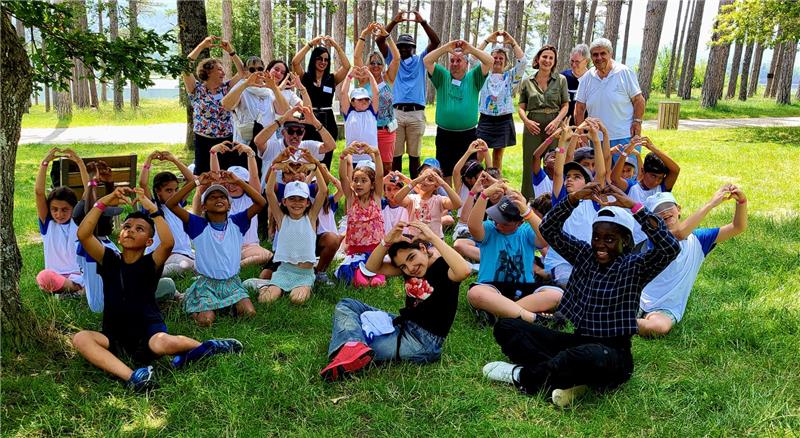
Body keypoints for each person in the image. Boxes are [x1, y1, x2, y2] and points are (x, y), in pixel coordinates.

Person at [483, 183, 680, 407]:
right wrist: (574, 198)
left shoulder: (635, 266)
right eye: (597, 237)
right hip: (578, 341)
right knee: (507, 327)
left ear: (625, 241)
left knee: (584, 357)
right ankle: (570, 379)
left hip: (611, 355)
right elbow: (549, 229)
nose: (600, 245)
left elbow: (670, 247)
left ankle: (523, 376)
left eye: (609, 239)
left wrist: (634, 206)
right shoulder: (585, 254)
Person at [72, 187, 243, 392]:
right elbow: (83, 233)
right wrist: (105, 201)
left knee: (164, 344)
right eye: (127, 227)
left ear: (149, 241)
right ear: (119, 236)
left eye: (139, 229)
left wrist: (152, 209)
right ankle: (134, 377)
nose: (131, 230)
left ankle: (207, 347)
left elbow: (168, 242)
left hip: (149, 332)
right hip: (113, 335)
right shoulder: (108, 259)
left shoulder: (150, 262)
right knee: (81, 338)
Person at [319, 221, 472, 382]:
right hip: (403, 325)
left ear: (423, 249)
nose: (411, 268)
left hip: (423, 343)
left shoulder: (444, 268)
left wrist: (433, 237)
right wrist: (386, 241)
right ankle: (352, 346)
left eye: (412, 258)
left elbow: (464, 270)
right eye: (404, 266)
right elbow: (371, 268)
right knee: (348, 304)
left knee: (363, 343)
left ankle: (349, 347)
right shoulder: (408, 269)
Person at [638, 186, 748, 337]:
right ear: (652, 222)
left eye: (668, 206)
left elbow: (738, 227)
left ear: (679, 209)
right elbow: (679, 234)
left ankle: (621, 322)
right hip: (637, 298)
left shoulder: (698, 240)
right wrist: (710, 204)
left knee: (658, 328)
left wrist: (742, 201)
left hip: (666, 309)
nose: (664, 212)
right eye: (658, 211)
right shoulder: (655, 239)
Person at [165, 171, 265, 327]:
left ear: (229, 204)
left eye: (222, 197)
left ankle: (225, 305)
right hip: (207, 284)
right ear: (204, 206)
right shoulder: (198, 225)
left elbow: (261, 203)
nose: (218, 199)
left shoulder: (237, 222)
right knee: (205, 321)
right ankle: (188, 299)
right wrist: (196, 182)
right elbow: (171, 204)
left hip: (232, 283)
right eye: (212, 197)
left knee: (249, 313)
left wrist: (238, 181)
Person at [466, 185, 555, 326]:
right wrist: (483, 196)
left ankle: (499, 312)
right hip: (492, 288)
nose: (498, 223)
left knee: (556, 295)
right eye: (496, 218)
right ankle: (531, 317)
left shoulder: (526, 231)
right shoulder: (489, 229)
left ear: (520, 223)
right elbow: (473, 226)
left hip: (525, 289)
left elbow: (545, 237)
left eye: (504, 222)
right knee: (475, 293)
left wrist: (528, 212)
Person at [244, 157, 328, 304]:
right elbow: (269, 191)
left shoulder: (311, 217)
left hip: (304, 274)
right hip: (283, 271)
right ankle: (264, 285)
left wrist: (315, 167)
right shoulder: (281, 218)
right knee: (265, 301)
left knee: (297, 300)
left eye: (301, 199)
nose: (297, 203)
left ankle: (297, 286)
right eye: (292, 199)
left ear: (308, 202)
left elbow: (323, 190)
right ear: (284, 201)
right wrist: (275, 166)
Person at [377, 11, 440, 177]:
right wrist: (393, 22)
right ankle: (396, 189)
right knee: (395, 157)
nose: (403, 49)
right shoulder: (393, 60)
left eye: (407, 46)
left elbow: (436, 42)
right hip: (396, 112)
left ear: (414, 48)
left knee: (414, 157)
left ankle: (414, 190)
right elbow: (379, 40)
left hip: (416, 114)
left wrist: (423, 23)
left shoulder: (421, 60)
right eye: (400, 46)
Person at [423, 39, 494, 186]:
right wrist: (446, 48)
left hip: (467, 135)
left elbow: (489, 62)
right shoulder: (442, 76)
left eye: (459, 61)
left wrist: (471, 49)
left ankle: (466, 203)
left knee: (469, 172)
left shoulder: (474, 77)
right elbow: (427, 61)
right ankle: (449, 204)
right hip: (445, 134)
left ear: (466, 64)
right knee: (445, 171)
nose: (454, 64)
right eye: (452, 61)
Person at [574, 38, 646, 160]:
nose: (599, 58)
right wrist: (582, 134)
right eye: (595, 55)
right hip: (597, 140)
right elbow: (579, 108)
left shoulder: (624, 72)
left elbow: (639, 100)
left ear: (610, 54)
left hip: (624, 137)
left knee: (625, 177)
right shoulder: (587, 78)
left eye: (603, 53)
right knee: (600, 177)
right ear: (591, 57)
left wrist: (637, 121)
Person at [182, 35, 245, 175]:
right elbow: (185, 67)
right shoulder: (196, 89)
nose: (223, 73)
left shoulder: (226, 88)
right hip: (203, 141)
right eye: (219, 69)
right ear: (208, 72)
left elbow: (243, 72)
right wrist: (202, 45)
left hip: (225, 141)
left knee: (224, 175)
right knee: (204, 177)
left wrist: (231, 51)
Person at [208, 144, 273, 268]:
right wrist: (213, 153)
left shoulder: (252, 199)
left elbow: (254, 176)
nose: (231, 186)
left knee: (267, 256)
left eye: (236, 183)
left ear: (245, 184)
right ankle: (231, 263)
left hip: (249, 246)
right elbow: (215, 177)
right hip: (225, 246)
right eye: (228, 182)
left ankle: (237, 265)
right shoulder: (221, 197)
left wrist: (250, 154)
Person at [517, 45, 569, 200]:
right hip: (533, 126)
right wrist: (526, 121)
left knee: (553, 163)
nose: (547, 60)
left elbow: (565, 105)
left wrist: (557, 122)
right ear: (538, 59)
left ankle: (552, 198)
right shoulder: (527, 81)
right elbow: (520, 107)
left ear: (554, 62)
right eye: (544, 57)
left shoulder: (561, 80)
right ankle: (528, 199)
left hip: (554, 127)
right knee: (529, 162)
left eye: (551, 58)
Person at [291, 35, 351, 168]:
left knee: (326, 158)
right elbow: (295, 62)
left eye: (326, 60)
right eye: (320, 58)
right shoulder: (304, 77)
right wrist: (311, 44)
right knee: (306, 157)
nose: (323, 62)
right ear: (314, 59)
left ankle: (323, 185)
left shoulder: (332, 78)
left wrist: (335, 45)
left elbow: (347, 66)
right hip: (308, 119)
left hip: (327, 121)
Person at [35, 147, 86, 295]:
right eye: (55, 209)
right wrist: (45, 163)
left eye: (65, 209)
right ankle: (74, 290)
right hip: (56, 276)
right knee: (44, 277)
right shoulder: (48, 223)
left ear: (73, 208)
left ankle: (73, 289)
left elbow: (87, 192)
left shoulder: (77, 220)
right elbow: (39, 193)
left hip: (78, 274)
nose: (59, 214)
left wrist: (79, 162)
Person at [221, 57, 289, 167]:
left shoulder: (269, 90)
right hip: (245, 143)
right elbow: (226, 105)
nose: (256, 72)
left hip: (267, 143)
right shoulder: (241, 87)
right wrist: (246, 84)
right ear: (246, 72)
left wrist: (274, 88)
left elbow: (284, 111)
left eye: (260, 68)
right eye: (252, 70)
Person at [474, 31, 526, 172]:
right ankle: (476, 185)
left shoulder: (510, 77)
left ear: (505, 62)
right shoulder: (483, 75)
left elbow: (523, 63)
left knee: (497, 157)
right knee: (479, 155)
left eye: (500, 58)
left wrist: (512, 42)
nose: (497, 60)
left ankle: (495, 185)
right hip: (485, 119)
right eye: (494, 57)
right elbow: (474, 58)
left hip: (503, 120)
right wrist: (487, 40)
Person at [139, 150, 196, 277]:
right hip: (167, 255)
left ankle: (158, 272)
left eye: (176, 189)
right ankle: (150, 273)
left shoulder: (178, 205)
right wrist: (148, 159)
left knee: (199, 259)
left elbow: (191, 180)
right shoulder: (153, 207)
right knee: (186, 265)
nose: (174, 193)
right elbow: (143, 183)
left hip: (184, 254)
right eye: (168, 190)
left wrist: (174, 160)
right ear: (158, 192)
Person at [334, 144, 385, 286]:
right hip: (355, 253)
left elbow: (380, 175)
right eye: (356, 180)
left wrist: (376, 153)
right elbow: (343, 177)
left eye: (364, 181)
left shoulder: (376, 198)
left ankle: (375, 274)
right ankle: (358, 274)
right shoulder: (351, 199)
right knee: (360, 282)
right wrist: (343, 156)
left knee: (377, 282)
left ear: (373, 184)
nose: (358, 184)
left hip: (375, 252)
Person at [355, 22, 401, 173]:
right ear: (367, 65)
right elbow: (356, 56)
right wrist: (364, 33)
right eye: (372, 62)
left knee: (387, 167)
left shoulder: (388, 78)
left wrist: (386, 35)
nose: (375, 65)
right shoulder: (364, 79)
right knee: (368, 166)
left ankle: (386, 196)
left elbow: (397, 58)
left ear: (383, 65)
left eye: (379, 62)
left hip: (387, 130)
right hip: (368, 129)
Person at [253, 105, 337, 186]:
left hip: (299, 196)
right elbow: (258, 141)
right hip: (273, 194)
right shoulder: (274, 145)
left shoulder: (307, 146)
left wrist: (316, 123)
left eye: (299, 132)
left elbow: (331, 146)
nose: (295, 136)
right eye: (290, 131)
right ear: (283, 133)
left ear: (303, 134)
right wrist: (282, 119)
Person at [394, 167, 462, 239]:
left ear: (436, 186)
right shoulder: (412, 199)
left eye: (430, 179)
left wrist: (443, 183)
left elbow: (458, 204)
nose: (425, 181)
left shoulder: (438, 200)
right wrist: (415, 181)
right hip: (414, 240)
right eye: (423, 177)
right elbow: (397, 199)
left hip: (434, 241)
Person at [339, 66, 380, 165]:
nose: (364, 101)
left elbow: (376, 93)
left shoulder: (372, 111)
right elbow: (343, 93)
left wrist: (370, 75)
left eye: (366, 99)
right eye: (360, 99)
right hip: (352, 159)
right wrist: (349, 76)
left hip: (371, 158)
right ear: (353, 102)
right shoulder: (349, 112)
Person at [562, 44, 590, 123]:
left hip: (585, 127)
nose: (574, 65)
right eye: (572, 61)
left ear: (586, 61)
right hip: (565, 127)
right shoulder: (563, 77)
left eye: (577, 62)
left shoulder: (592, 79)